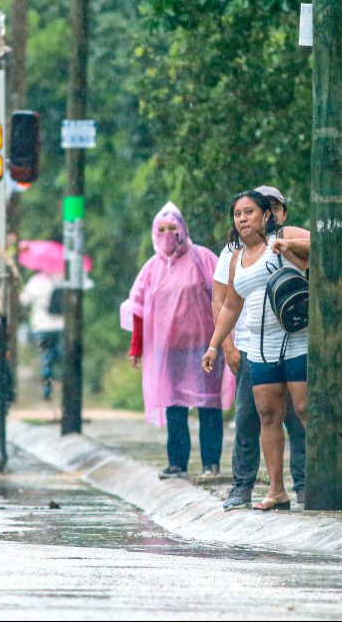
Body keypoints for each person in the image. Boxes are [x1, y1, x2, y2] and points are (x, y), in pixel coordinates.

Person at [203, 191, 310, 510]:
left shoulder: (283, 237)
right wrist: (215, 345)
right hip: (260, 349)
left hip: (296, 341)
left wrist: (289, 247)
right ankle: (276, 491)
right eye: (238, 214)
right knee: (267, 416)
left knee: (305, 410)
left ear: (267, 215)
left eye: (250, 212)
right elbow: (229, 306)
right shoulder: (235, 257)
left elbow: (327, 245)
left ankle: (318, 481)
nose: (243, 219)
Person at [122, 202, 234, 479]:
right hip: (168, 350)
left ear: (183, 229)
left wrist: (225, 340)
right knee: (174, 405)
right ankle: (177, 463)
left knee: (208, 405)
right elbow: (137, 308)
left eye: (173, 228)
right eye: (161, 229)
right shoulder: (151, 268)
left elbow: (224, 297)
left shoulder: (202, 258)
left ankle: (211, 463)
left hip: (204, 346)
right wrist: (137, 346)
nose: (167, 234)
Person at [19, 270, 64, 401]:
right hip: (60, 326)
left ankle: (47, 390)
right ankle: (63, 383)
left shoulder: (36, 281)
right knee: (60, 355)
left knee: (45, 358)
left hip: (41, 326)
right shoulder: (61, 279)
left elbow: (23, 300)